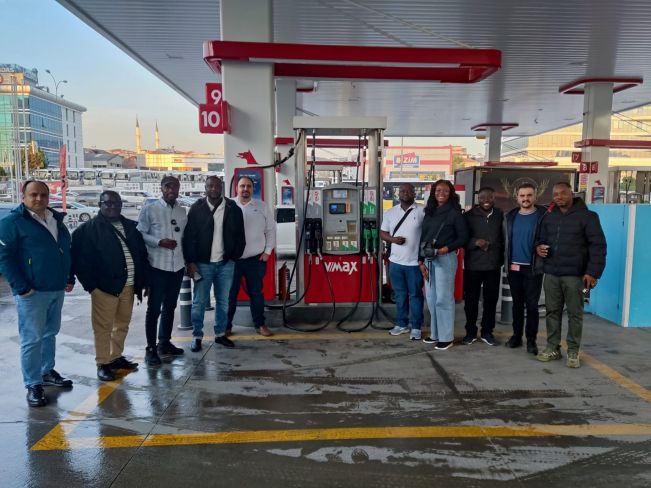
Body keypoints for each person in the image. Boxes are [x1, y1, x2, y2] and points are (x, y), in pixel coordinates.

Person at [0, 180, 75, 407]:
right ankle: (33, 383)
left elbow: (65, 250)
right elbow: (4, 257)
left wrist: (68, 277)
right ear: (23, 196)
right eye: (33, 194)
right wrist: (21, 286)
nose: (39, 199)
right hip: (31, 293)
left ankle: (46, 371)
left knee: (50, 333)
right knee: (32, 339)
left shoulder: (55, 220)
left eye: (43, 195)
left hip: (56, 288)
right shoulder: (12, 223)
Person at [72, 191, 149, 381]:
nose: (112, 206)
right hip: (104, 289)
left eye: (116, 202)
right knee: (103, 328)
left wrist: (143, 281)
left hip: (128, 286)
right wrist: (92, 287)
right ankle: (103, 363)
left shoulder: (131, 227)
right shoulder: (87, 230)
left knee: (122, 325)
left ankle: (116, 357)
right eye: (107, 203)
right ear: (100, 204)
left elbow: (141, 255)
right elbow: (80, 262)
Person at [535, 181, 606, 368]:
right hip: (552, 274)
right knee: (552, 312)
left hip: (575, 276)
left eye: (563, 193)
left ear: (572, 194)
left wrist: (592, 272)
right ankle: (553, 348)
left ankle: (573, 351)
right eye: (555, 194)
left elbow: (598, 246)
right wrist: (538, 247)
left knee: (575, 314)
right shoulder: (549, 217)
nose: (559, 197)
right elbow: (540, 239)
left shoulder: (588, 217)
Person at [183, 175, 245, 351]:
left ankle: (220, 334)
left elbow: (240, 236)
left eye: (217, 186)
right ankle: (197, 336)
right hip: (203, 264)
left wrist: (233, 257)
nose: (214, 189)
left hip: (225, 264)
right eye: (210, 186)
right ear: (205, 188)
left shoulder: (233, 208)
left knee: (223, 302)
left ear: (222, 188)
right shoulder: (197, 208)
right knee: (199, 302)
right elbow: (188, 238)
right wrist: (191, 262)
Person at [137, 176, 187, 365]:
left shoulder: (182, 211)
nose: (171, 190)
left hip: (177, 267)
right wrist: (159, 242)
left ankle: (164, 342)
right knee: (154, 309)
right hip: (157, 267)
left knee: (170, 307)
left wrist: (188, 262)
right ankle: (150, 348)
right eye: (168, 186)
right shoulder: (150, 209)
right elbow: (140, 234)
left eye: (175, 186)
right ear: (161, 188)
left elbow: (185, 237)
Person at [419, 180, 468, 350]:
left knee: (443, 299)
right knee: (431, 298)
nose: (441, 193)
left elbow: (463, 238)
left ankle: (446, 338)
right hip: (428, 259)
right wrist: (420, 261)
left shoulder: (455, 214)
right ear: (433, 192)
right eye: (438, 190)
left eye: (446, 191)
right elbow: (423, 237)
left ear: (451, 193)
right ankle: (435, 334)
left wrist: (446, 249)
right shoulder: (429, 212)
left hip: (445, 259)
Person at [226, 176, 276, 337]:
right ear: (237, 188)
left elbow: (271, 230)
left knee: (256, 294)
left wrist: (268, 251)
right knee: (230, 295)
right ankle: (226, 326)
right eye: (242, 186)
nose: (245, 189)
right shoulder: (228, 205)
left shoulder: (262, 206)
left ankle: (260, 325)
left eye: (248, 186)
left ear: (253, 189)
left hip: (255, 260)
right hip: (232, 261)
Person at [504, 182, 547, 355]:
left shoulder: (543, 216)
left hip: (533, 268)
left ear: (535, 196)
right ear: (517, 197)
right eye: (522, 195)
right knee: (517, 304)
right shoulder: (510, 217)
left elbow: (548, 238)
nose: (526, 198)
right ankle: (516, 336)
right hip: (514, 267)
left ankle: (531, 340)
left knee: (532, 306)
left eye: (529, 195)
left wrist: (541, 246)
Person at [380, 183, 425, 340]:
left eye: (409, 191)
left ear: (414, 193)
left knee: (416, 295)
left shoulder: (422, 211)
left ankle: (416, 327)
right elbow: (382, 232)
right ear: (398, 194)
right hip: (395, 263)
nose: (405, 193)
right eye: (402, 191)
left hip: (414, 263)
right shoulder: (390, 212)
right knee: (400, 295)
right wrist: (393, 240)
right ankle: (401, 324)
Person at [461, 187, 504, 347]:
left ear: (494, 198)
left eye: (489, 197)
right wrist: (475, 242)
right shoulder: (468, 216)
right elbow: (461, 238)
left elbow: (504, 238)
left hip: (493, 265)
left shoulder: (500, 215)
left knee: (491, 300)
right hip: (473, 266)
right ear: (477, 198)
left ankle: (487, 332)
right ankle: (470, 332)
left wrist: (499, 253)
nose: (486, 200)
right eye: (482, 197)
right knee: (471, 300)